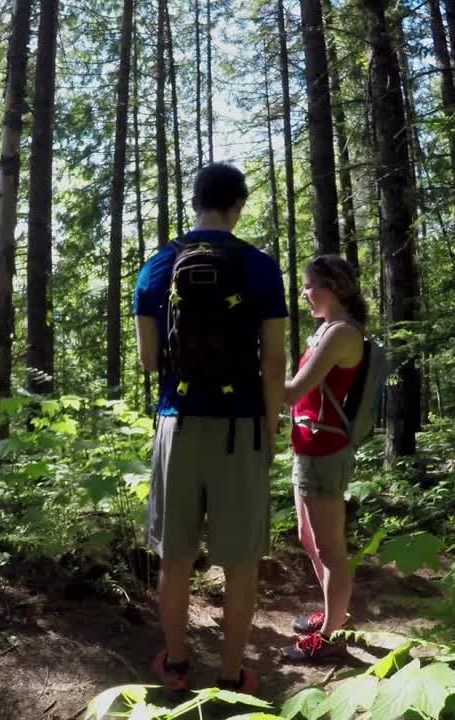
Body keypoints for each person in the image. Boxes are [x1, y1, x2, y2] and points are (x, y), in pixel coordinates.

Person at [134, 162, 288, 693]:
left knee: (175, 557)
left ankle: (177, 666)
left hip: (177, 423)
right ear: (238, 204)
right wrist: (272, 425)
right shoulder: (260, 267)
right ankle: (231, 675)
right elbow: (274, 360)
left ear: (195, 202)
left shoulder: (158, 266)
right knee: (241, 562)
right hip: (240, 426)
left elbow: (149, 360)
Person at [281, 255, 366, 662]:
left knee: (330, 548)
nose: (304, 293)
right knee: (308, 537)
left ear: (333, 288)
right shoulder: (325, 330)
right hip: (308, 446)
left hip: (324, 452)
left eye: (309, 285)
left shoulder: (342, 334)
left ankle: (331, 637)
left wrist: (253, 372)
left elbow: (293, 393)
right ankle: (336, 613)